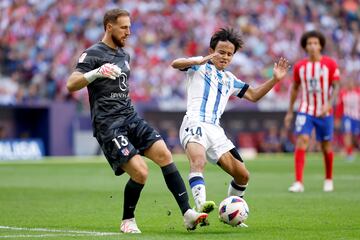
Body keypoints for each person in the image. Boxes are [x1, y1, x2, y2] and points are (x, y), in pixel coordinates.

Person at [66, 9, 208, 233]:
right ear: (108, 27)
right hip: (108, 125)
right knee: (141, 173)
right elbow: (71, 84)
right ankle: (127, 220)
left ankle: (188, 213)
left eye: (130, 28)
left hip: (130, 116)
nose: (128, 32)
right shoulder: (92, 53)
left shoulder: (125, 55)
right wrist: (95, 73)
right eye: (123, 27)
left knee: (165, 154)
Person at [171, 28, 290, 226]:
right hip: (194, 122)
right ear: (212, 50)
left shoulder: (230, 79)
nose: (225, 57)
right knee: (199, 161)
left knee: (243, 175)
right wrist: (199, 60)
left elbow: (253, 95)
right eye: (221, 52)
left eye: (229, 54)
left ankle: (231, 214)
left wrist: (275, 80)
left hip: (215, 130)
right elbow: (175, 63)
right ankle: (201, 207)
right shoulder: (198, 66)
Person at [284, 30, 340, 193]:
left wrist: (329, 104)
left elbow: (336, 87)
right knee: (302, 140)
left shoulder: (330, 64)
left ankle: (328, 179)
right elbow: (294, 89)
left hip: (325, 111)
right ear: (305, 47)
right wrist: (289, 111)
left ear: (321, 45)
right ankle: (298, 182)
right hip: (305, 110)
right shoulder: (300, 66)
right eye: (309, 43)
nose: (312, 46)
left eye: (315, 43)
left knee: (326, 145)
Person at [335, 79, 360, 161]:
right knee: (347, 134)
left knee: (355, 136)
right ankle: (349, 153)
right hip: (347, 116)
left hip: (357, 117)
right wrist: (338, 118)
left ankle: (352, 150)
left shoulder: (358, 92)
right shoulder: (343, 93)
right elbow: (340, 106)